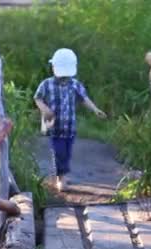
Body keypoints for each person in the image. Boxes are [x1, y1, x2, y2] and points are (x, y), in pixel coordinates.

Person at [34, 48, 107, 192]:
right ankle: (60, 179)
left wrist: (95, 109)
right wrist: (44, 109)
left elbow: (84, 99)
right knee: (58, 152)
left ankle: (62, 175)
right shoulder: (47, 84)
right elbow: (38, 98)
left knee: (66, 153)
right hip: (54, 127)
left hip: (70, 127)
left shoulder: (75, 84)